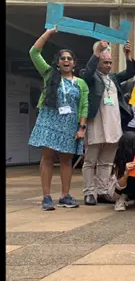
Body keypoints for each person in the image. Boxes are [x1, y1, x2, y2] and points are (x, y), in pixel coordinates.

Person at [28, 27, 88, 211]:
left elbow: (84, 105)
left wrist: (81, 128)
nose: (66, 61)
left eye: (69, 58)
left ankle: (65, 195)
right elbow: (34, 52)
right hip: (49, 120)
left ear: (74, 63)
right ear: (58, 63)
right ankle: (46, 197)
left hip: (69, 124)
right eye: (63, 58)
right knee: (47, 158)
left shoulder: (80, 83)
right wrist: (47, 34)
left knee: (66, 160)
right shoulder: (49, 75)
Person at [80, 40, 135, 206]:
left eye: (110, 62)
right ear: (98, 62)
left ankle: (103, 191)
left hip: (113, 123)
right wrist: (97, 51)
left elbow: (130, 72)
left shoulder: (113, 78)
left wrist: (128, 56)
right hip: (96, 121)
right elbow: (87, 73)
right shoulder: (89, 75)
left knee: (107, 161)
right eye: (105, 62)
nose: (109, 65)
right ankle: (89, 192)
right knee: (90, 160)